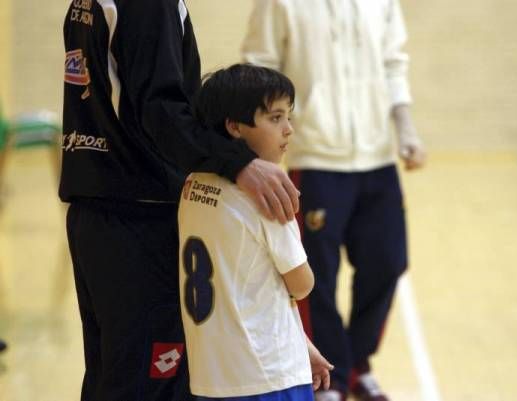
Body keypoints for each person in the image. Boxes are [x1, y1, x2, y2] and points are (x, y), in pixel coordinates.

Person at [61, 1, 300, 400]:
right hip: (141, 216)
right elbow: (160, 109)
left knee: (112, 377)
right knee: (150, 383)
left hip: (98, 210)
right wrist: (238, 162)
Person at [242, 1, 426, 400]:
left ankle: (355, 363)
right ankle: (331, 376)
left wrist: (406, 129)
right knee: (315, 278)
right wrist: (261, 151)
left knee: (388, 263)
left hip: (378, 159)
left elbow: (394, 63)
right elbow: (258, 68)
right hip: (315, 159)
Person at [178, 63, 333, 401]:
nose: (288, 130)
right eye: (275, 118)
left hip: (211, 377)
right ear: (234, 126)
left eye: (288, 117)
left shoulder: (192, 185)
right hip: (270, 379)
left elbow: (241, 289)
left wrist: (301, 343)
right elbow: (302, 285)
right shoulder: (267, 193)